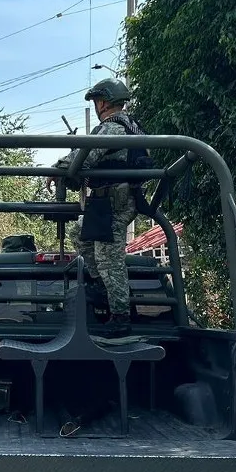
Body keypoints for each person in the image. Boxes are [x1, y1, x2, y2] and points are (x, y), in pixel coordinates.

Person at [48, 77, 147, 337]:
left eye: (96, 101)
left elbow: (88, 155)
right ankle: (102, 287)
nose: (96, 106)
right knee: (79, 233)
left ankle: (121, 317)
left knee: (108, 259)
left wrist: (57, 168)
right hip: (106, 203)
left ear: (103, 102)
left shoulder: (114, 127)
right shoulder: (127, 125)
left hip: (115, 203)